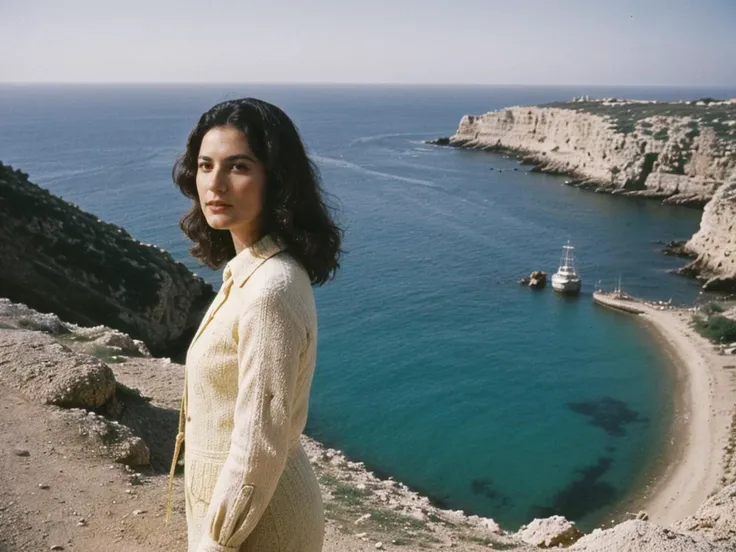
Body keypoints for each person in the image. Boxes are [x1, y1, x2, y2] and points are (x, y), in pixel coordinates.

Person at [167, 98, 342, 552]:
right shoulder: (252, 270)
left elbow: (258, 442)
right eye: (205, 166)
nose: (215, 184)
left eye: (238, 167)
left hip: (258, 526)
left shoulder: (269, 290)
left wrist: (218, 543)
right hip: (238, 510)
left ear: (276, 179)